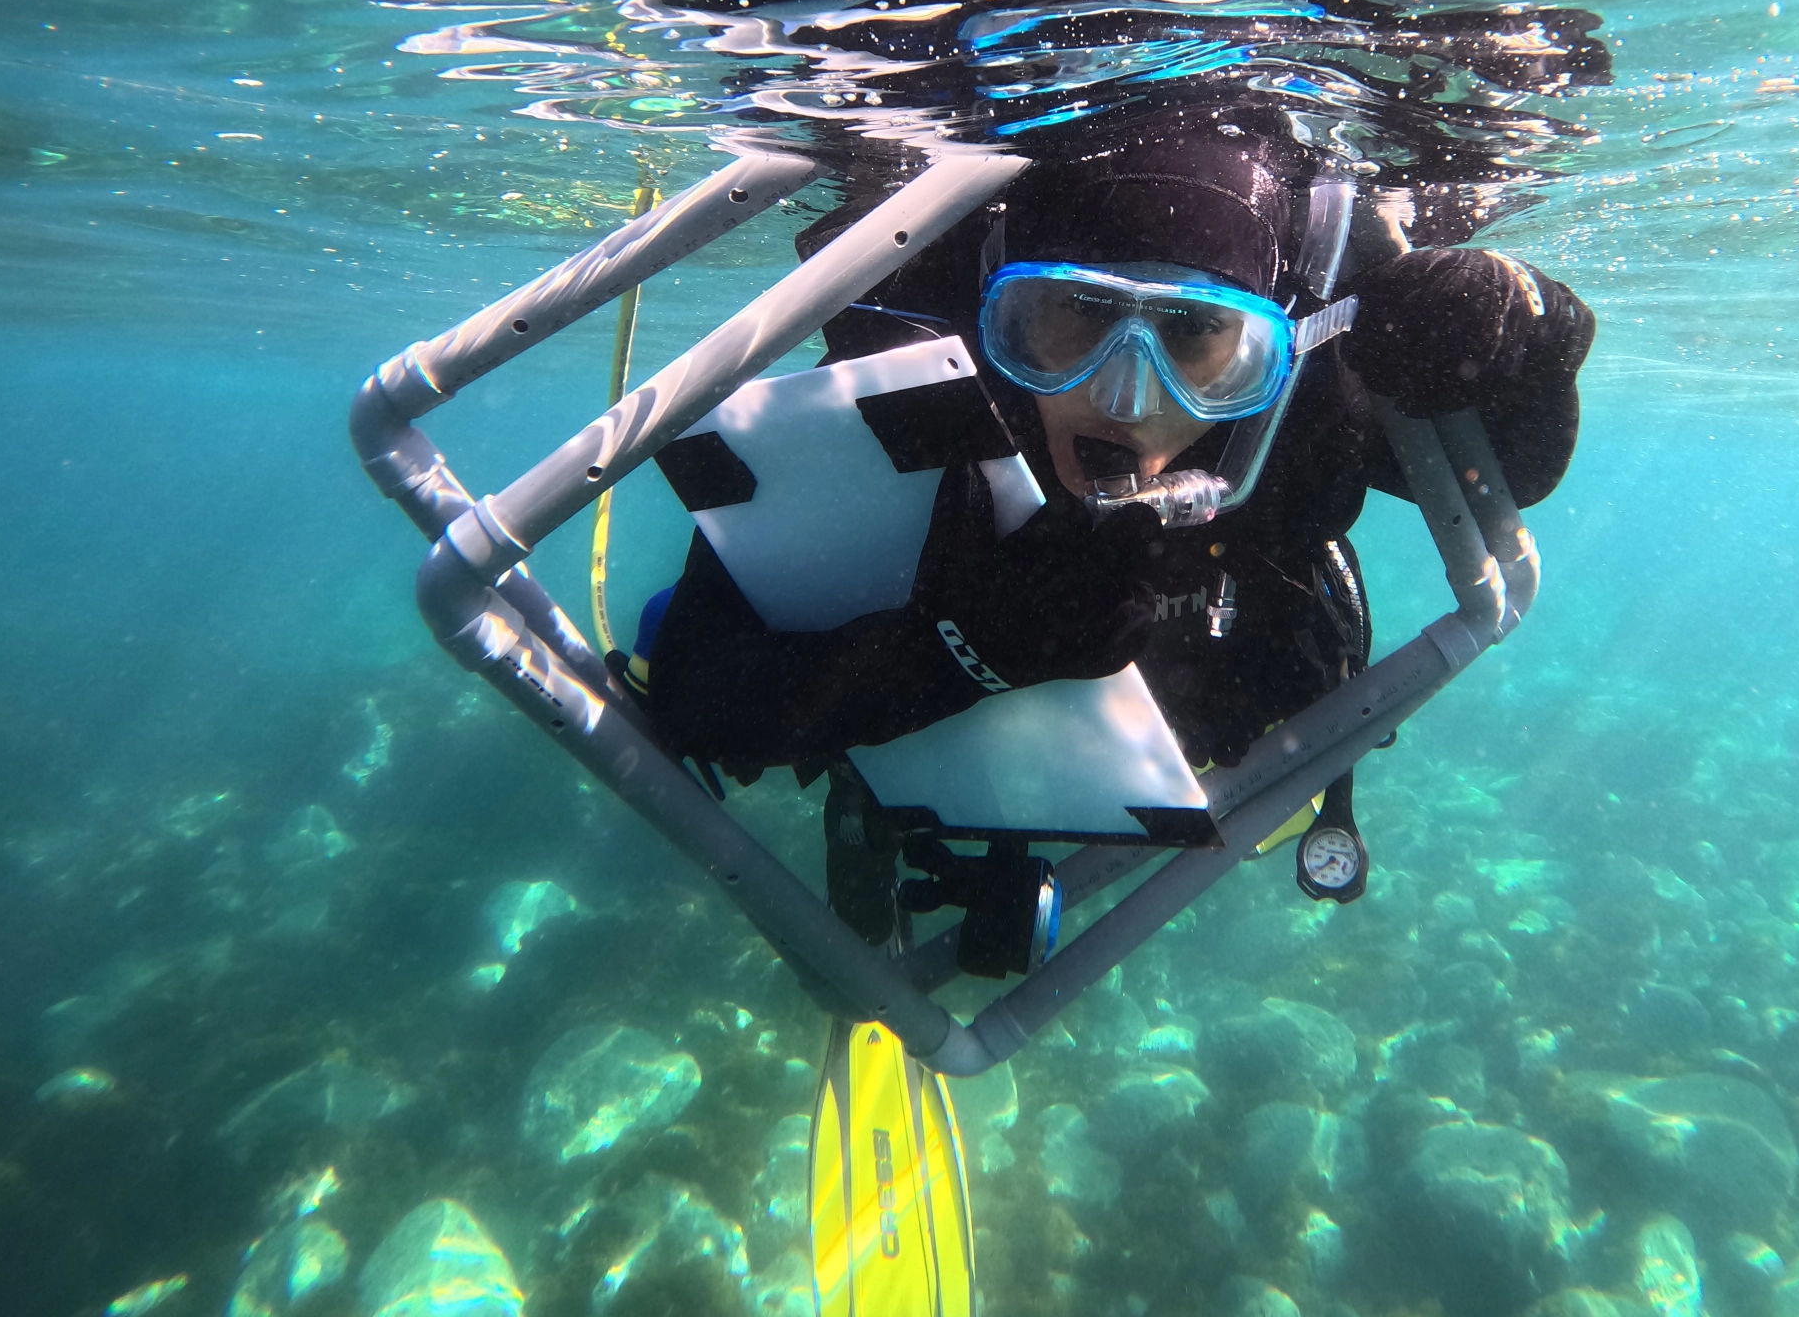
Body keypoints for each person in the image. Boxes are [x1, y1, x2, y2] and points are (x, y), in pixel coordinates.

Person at [611, 108, 1594, 946]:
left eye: (1199, 338)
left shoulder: (1316, 385)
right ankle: (892, 804)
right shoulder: (916, 373)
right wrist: (972, 652)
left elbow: (1518, 470)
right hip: (922, 678)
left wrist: (1535, 322)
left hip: (1220, 657)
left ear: (1273, 346)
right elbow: (701, 696)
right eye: (1073, 316)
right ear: (997, 317)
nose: (1125, 399)